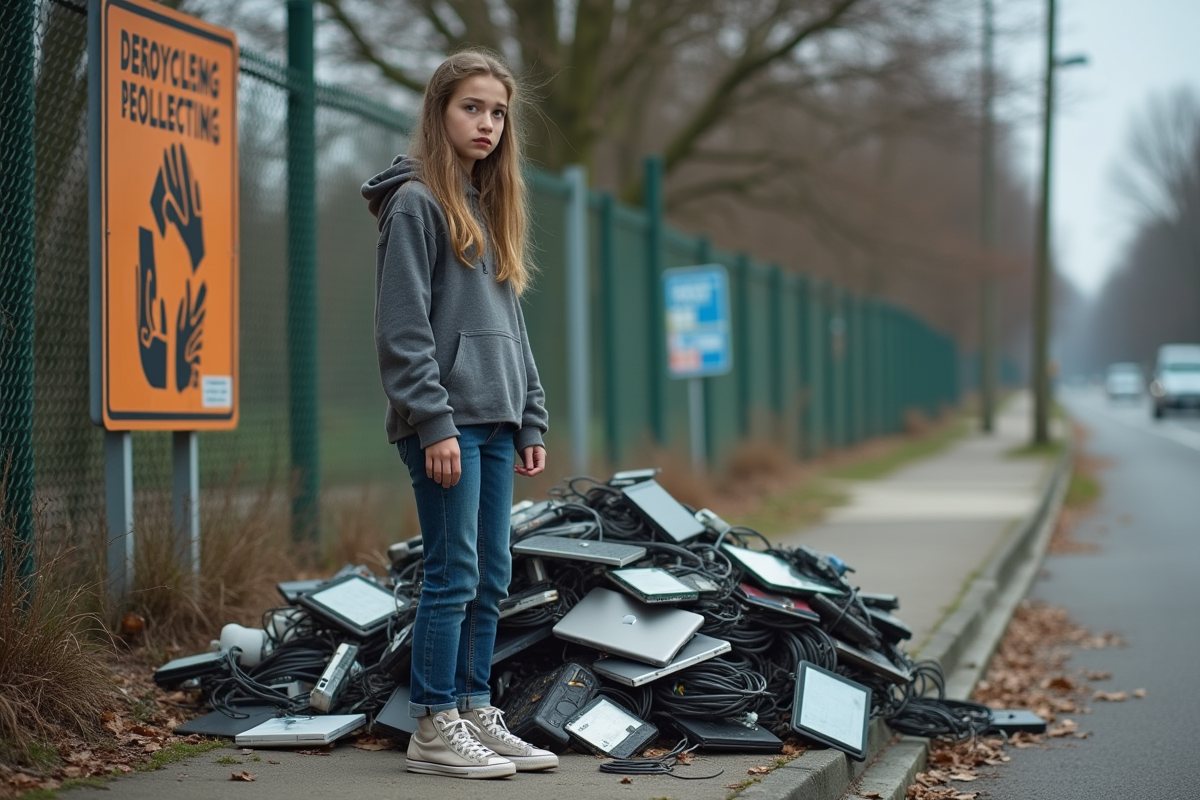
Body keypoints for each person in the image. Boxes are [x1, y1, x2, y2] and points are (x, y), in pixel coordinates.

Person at [362, 49, 555, 779]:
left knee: (493, 572)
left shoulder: (488, 203)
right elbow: (402, 329)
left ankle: (475, 708)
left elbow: (512, 329)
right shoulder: (415, 204)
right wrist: (433, 422)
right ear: (440, 112)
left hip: (497, 421)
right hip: (445, 424)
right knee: (453, 572)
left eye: (498, 111)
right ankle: (433, 725)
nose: (487, 123)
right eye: (472, 107)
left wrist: (529, 416)